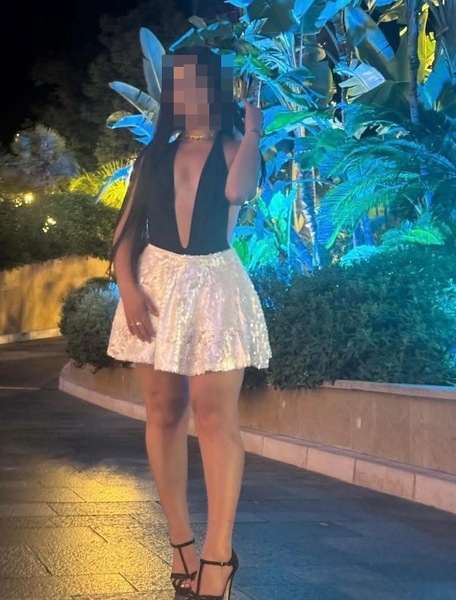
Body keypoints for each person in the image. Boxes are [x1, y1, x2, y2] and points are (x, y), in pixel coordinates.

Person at [107, 45, 272, 600]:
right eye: (180, 84)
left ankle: (218, 554)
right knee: (162, 413)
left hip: (215, 286)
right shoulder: (152, 157)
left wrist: (253, 131)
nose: (190, 92)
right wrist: (129, 289)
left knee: (214, 416)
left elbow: (239, 191)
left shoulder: (233, 148)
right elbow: (126, 231)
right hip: (155, 287)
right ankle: (180, 545)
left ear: (216, 90)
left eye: (200, 82)